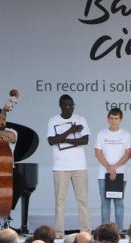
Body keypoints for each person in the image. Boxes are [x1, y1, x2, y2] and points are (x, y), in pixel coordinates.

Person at [47, 94, 91, 238]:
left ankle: (86, 231)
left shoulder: (81, 119)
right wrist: (71, 132)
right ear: (60, 105)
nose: (69, 108)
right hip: (60, 167)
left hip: (79, 166)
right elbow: (52, 141)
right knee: (60, 202)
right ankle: (59, 232)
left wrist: (63, 139)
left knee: (82, 201)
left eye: (71, 105)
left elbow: (85, 140)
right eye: (66, 105)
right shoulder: (53, 120)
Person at [95, 108, 131, 231]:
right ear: (108, 119)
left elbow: (128, 154)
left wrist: (114, 167)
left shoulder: (126, 134)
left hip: (120, 174)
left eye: (116, 118)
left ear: (120, 119)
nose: (113, 121)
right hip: (103, 174)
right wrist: (109, 168)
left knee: (119, 204)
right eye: (111, 118)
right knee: (105, 204)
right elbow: (98, 153)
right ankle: (104, 231)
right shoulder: (101, 133)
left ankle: (119, 230)